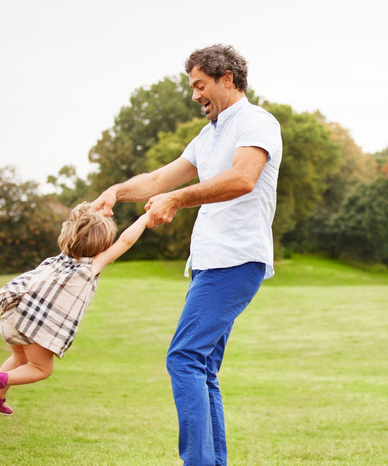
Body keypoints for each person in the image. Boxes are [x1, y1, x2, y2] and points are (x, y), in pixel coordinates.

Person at [91, 44, 282, 465]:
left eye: (200, 85)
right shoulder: (208, 133)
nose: (195, 95)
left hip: (234, 260)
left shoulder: (255, 121)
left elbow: (243, 178)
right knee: (202, 368)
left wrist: (176, 201)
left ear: (227, 79)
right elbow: (161, 178)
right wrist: (116, 192)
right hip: (211, 263)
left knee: (184, 358)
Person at [0, 202, 150, 416]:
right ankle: (0, 379)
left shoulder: (62, 256)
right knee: (42, 368)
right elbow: (125, 241)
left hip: (14, 312)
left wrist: (96, 210)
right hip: (32, 324)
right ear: (102, 245)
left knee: (19, 360)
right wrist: (146, 218)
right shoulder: (90, 267)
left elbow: (79, 221)